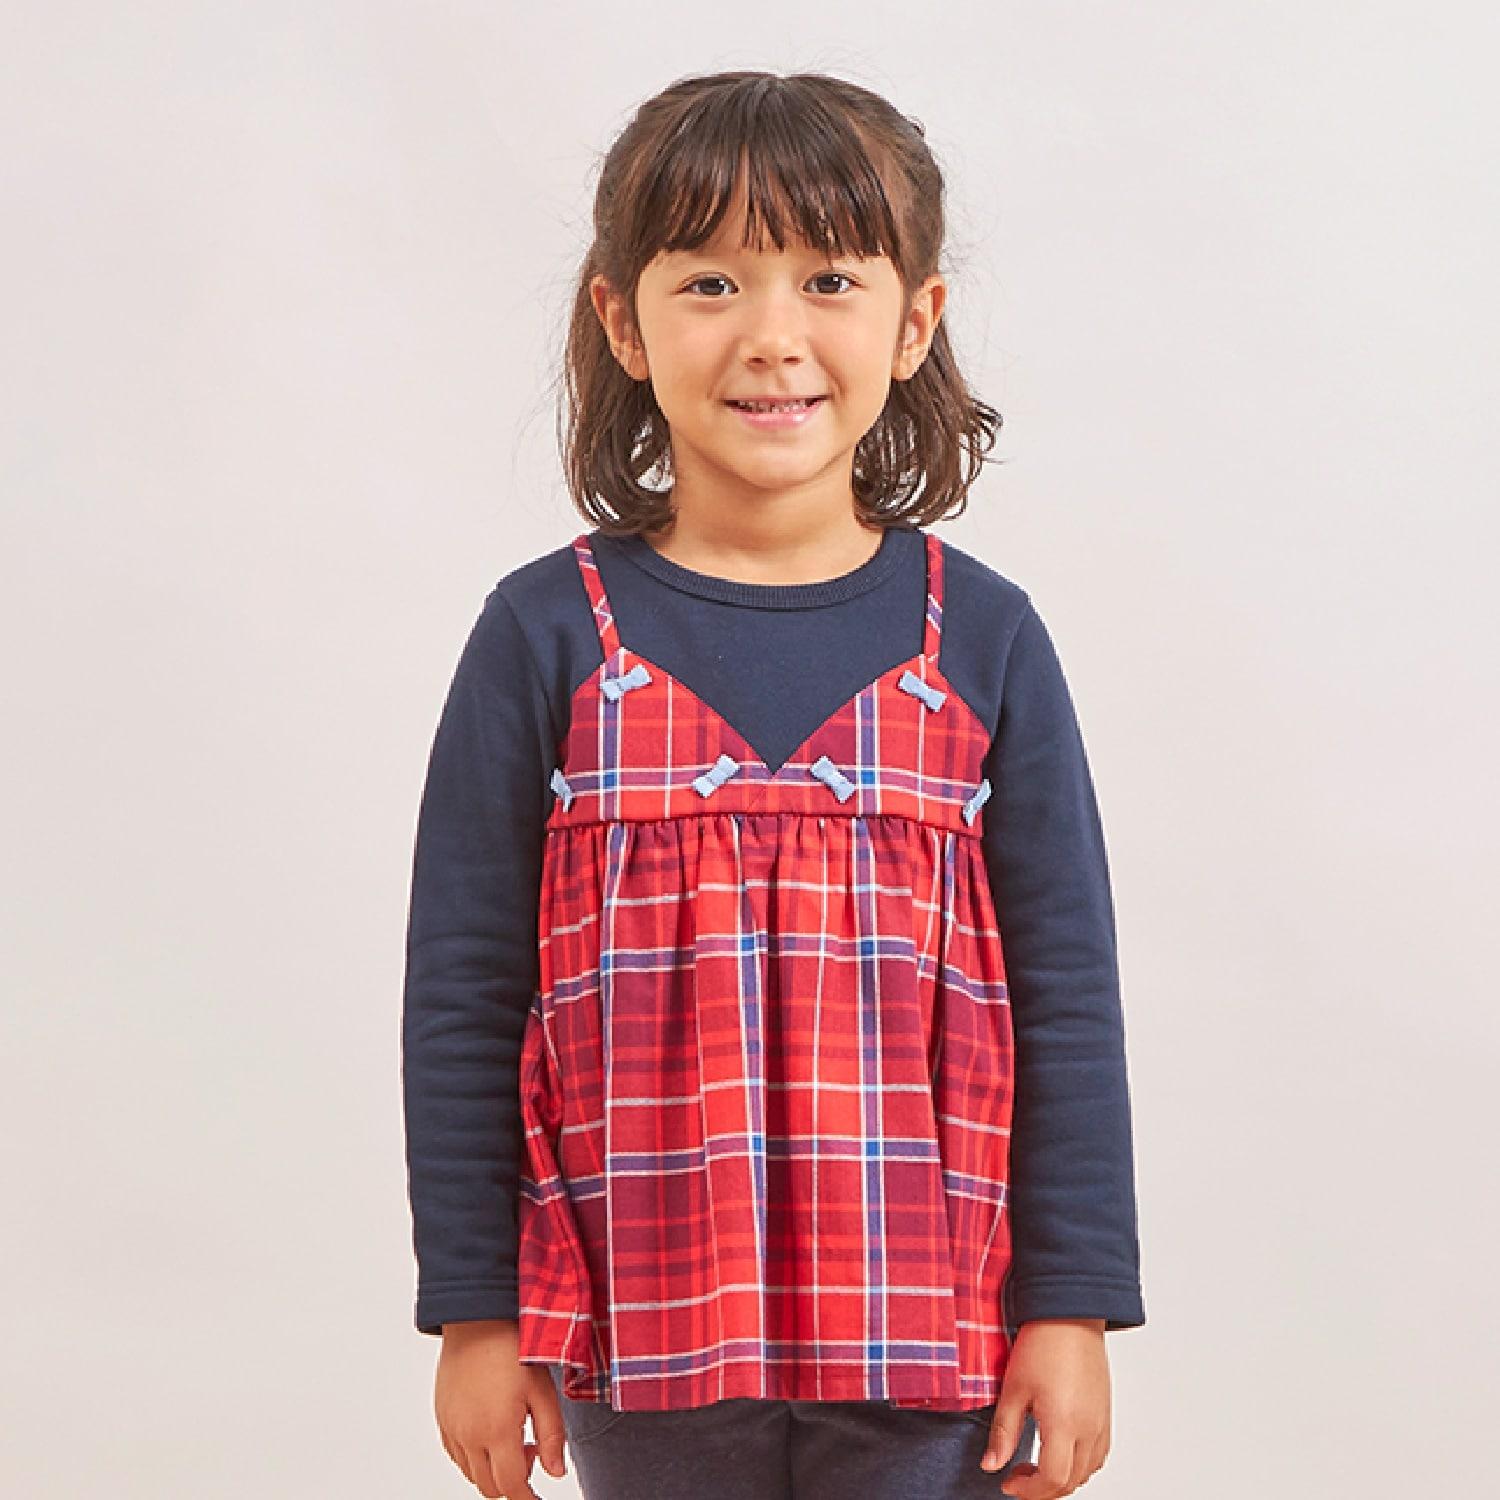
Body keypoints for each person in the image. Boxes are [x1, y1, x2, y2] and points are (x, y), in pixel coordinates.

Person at [402, 69, 1145, 1500]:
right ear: (622, 320)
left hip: (936, 1320)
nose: (772, 336)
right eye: (710, 282)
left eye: (829, 279)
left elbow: (1068, 993)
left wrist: (1073, 1305)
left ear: (914, 321)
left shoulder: (983, 639)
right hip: (643, 1316)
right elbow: (465, 989)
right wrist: (477, 1311)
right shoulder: (543, 636)